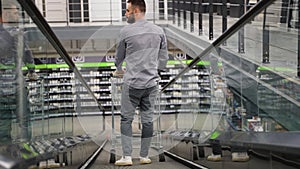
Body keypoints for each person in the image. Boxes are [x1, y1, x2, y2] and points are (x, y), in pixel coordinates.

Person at [113, 0, 168, 166]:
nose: (126, 14)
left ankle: (127, 157)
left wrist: (119, 69)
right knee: (148, 120)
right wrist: (156, 73)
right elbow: (163, 59)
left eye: (128, 10)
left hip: (132, 84)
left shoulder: (126, 31)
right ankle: (144, 156)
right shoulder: (159, 31)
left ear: (136, 10)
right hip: (151, 84)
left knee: (126, 119)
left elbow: (118, 57)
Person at [0, 1, 37, 145]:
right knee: (23, 120)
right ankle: (25, 150)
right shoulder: (18, 33)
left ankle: (5, 151)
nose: (18, 15)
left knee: (3, 121)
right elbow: (27, 53)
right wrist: (31, 70)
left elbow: (26, 53)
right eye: (16, 13)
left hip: (6, 85)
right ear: (6, 13)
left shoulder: (18, 32)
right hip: (15, 84)